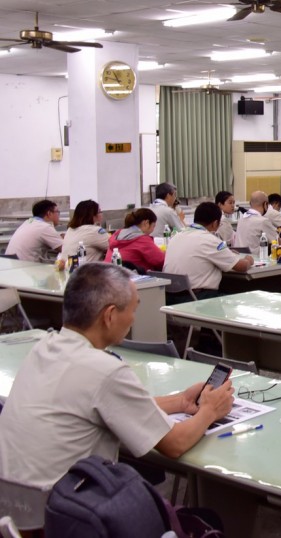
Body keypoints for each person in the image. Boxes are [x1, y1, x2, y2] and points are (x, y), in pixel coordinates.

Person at [0, 263, 234, 489]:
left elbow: (107, 407)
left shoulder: (44, 347)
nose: (133, 319)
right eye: (133, 310)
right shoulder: (104, 370)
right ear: (110, 315)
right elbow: (175, 443)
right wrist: (210, 410)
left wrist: (180, 401)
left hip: (16, 511)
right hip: (67, 516)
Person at [164, 202, 253, 301]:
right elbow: (242, 266)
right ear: (215, 223)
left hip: (170, 299)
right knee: (240, 300)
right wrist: (248, 259)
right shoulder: (211, 240)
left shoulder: (176, 237)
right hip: (199, 299)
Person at [104, 208, 165, 273]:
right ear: (146, 223)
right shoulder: (142, 239)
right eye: (153, 226)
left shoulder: (116, 234)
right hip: (131, 278)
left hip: (108, 274)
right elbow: (161, 261)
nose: (153, 230)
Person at [60, 200, 108, 264]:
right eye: (100, 211)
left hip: (68, 270)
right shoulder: (94, 231)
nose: (102, 214)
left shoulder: (70, 230)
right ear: (93, 215)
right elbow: (114, 246)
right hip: (88, 272)